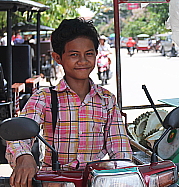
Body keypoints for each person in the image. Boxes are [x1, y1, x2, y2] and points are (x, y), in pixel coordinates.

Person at [6, 18, 132, 187]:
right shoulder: (44, 97)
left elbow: (120, 147)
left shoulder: (107, 100)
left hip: (94, 181)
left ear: (96, 54)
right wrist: (24, 157)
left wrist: (123, 173)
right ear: (57, 57)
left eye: (89, 53)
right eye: (74, 55)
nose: (83, 60)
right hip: (54, 181)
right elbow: (18, 137)